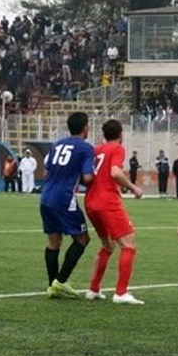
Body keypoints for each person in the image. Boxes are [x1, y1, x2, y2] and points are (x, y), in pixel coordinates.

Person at [85, 119, 145, 305]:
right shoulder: (117, 148)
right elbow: (115, 173)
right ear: (121, 134)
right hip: (107, 201)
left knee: (107, 245)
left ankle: (93, 289)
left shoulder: (97, 150)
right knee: (129, 245)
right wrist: (133, 188)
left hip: (90, 201)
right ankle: (121, 292)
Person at [39, 112, 96, 298]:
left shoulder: (57, 144)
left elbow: (46, 167)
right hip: (64, 199)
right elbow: (87, 177)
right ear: (85, 127)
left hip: (46, 196)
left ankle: (52, 286)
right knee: (82, 239)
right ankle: (60, 281)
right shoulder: (86, 148)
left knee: (53, 242)